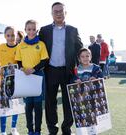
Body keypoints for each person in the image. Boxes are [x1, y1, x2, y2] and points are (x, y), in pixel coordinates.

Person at [39, 2, 83, 134]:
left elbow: (80, 49)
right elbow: (36, 48)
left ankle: (66, 129)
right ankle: (52, 130)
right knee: (50, 103)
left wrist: (87, 66)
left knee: (68, 102)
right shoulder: (44, 30)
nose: (58, 13)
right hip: (50, 70)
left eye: (61, 11)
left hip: (68, 71)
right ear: (51, 13)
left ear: (65, 12)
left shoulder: (73, 30)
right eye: (55, 11)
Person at [15, 20, 49, 135]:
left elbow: (44, 60)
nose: (31, 31)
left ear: (37, 30)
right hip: (25, 77)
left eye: (34, 29)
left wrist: (34, 69)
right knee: (28, 106)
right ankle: (30, 130)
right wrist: (23, 69)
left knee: (38, 106)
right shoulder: (21, 45)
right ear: (25, 30)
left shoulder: (41, 44)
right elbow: (18, 61)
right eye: (29, 29)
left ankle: (38, 130)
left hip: (38, 76)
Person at [0, 26, 20, 135]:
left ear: (16, 36)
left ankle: (13, 128)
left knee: (15, 105)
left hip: (16, 79)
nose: (10, 38)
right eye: (8, 35)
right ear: (4, 36)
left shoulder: (20, 47)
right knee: (3, 105)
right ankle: (3, 131)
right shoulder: (0, 47)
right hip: (2, 79)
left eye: (13, 35)